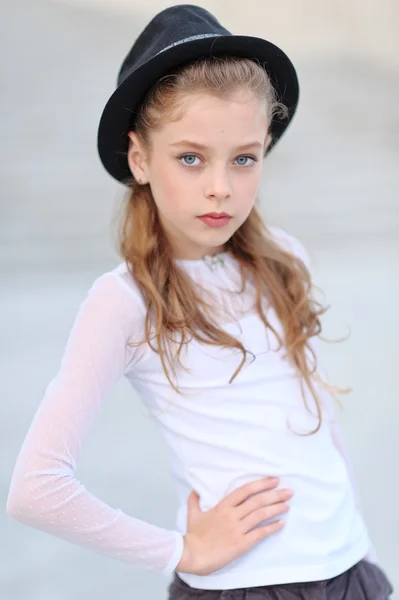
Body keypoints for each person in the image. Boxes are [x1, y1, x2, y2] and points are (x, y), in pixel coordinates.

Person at [6, 4, 394, 599]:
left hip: (348, 574)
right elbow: (36, 488)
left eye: (244, 157)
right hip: (244, 587)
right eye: (191, 158)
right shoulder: (124, 301)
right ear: (141, 159)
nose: (221, 186)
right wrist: (180, 549)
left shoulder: (283, 261)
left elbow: (320, 426)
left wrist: (363, 553)